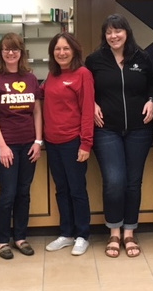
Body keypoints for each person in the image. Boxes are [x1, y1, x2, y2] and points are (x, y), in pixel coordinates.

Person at [85, 14, 153, 258]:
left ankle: (129, 232)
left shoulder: (142, 57)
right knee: (114, 181)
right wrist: (92, 104)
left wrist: (152, 100)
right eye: (109, 32)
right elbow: (85, 89)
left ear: (127, 32)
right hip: (106, 129)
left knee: (133, 182)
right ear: (104, 36)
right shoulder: (94, 60)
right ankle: (114, 231)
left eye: (118, 31)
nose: (113, 36)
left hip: (139, 129)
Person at [0, 33, 43, 259]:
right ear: (1, 52)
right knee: (7, 193)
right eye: (6, 49)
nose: (11, 53)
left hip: (28, 145)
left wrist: (38, 141)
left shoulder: (30, 78)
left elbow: (37, 111)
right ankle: (1, 241)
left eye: (15, 49)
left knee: (23, 193)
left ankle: (20, 237)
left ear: (21, 53)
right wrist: (2, 146)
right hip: (5, 146)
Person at [42, 32, 95, 256]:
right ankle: (66, 233)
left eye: (65, 49)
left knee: (77, 191)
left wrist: (86, 144)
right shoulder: (52, 75)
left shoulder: (82, 74)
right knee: (61, 190)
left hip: (73, 142)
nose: (61, 53)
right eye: (57, 49)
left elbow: (87, 110)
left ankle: (82, 235)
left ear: (74, 50)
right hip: (52, 142)